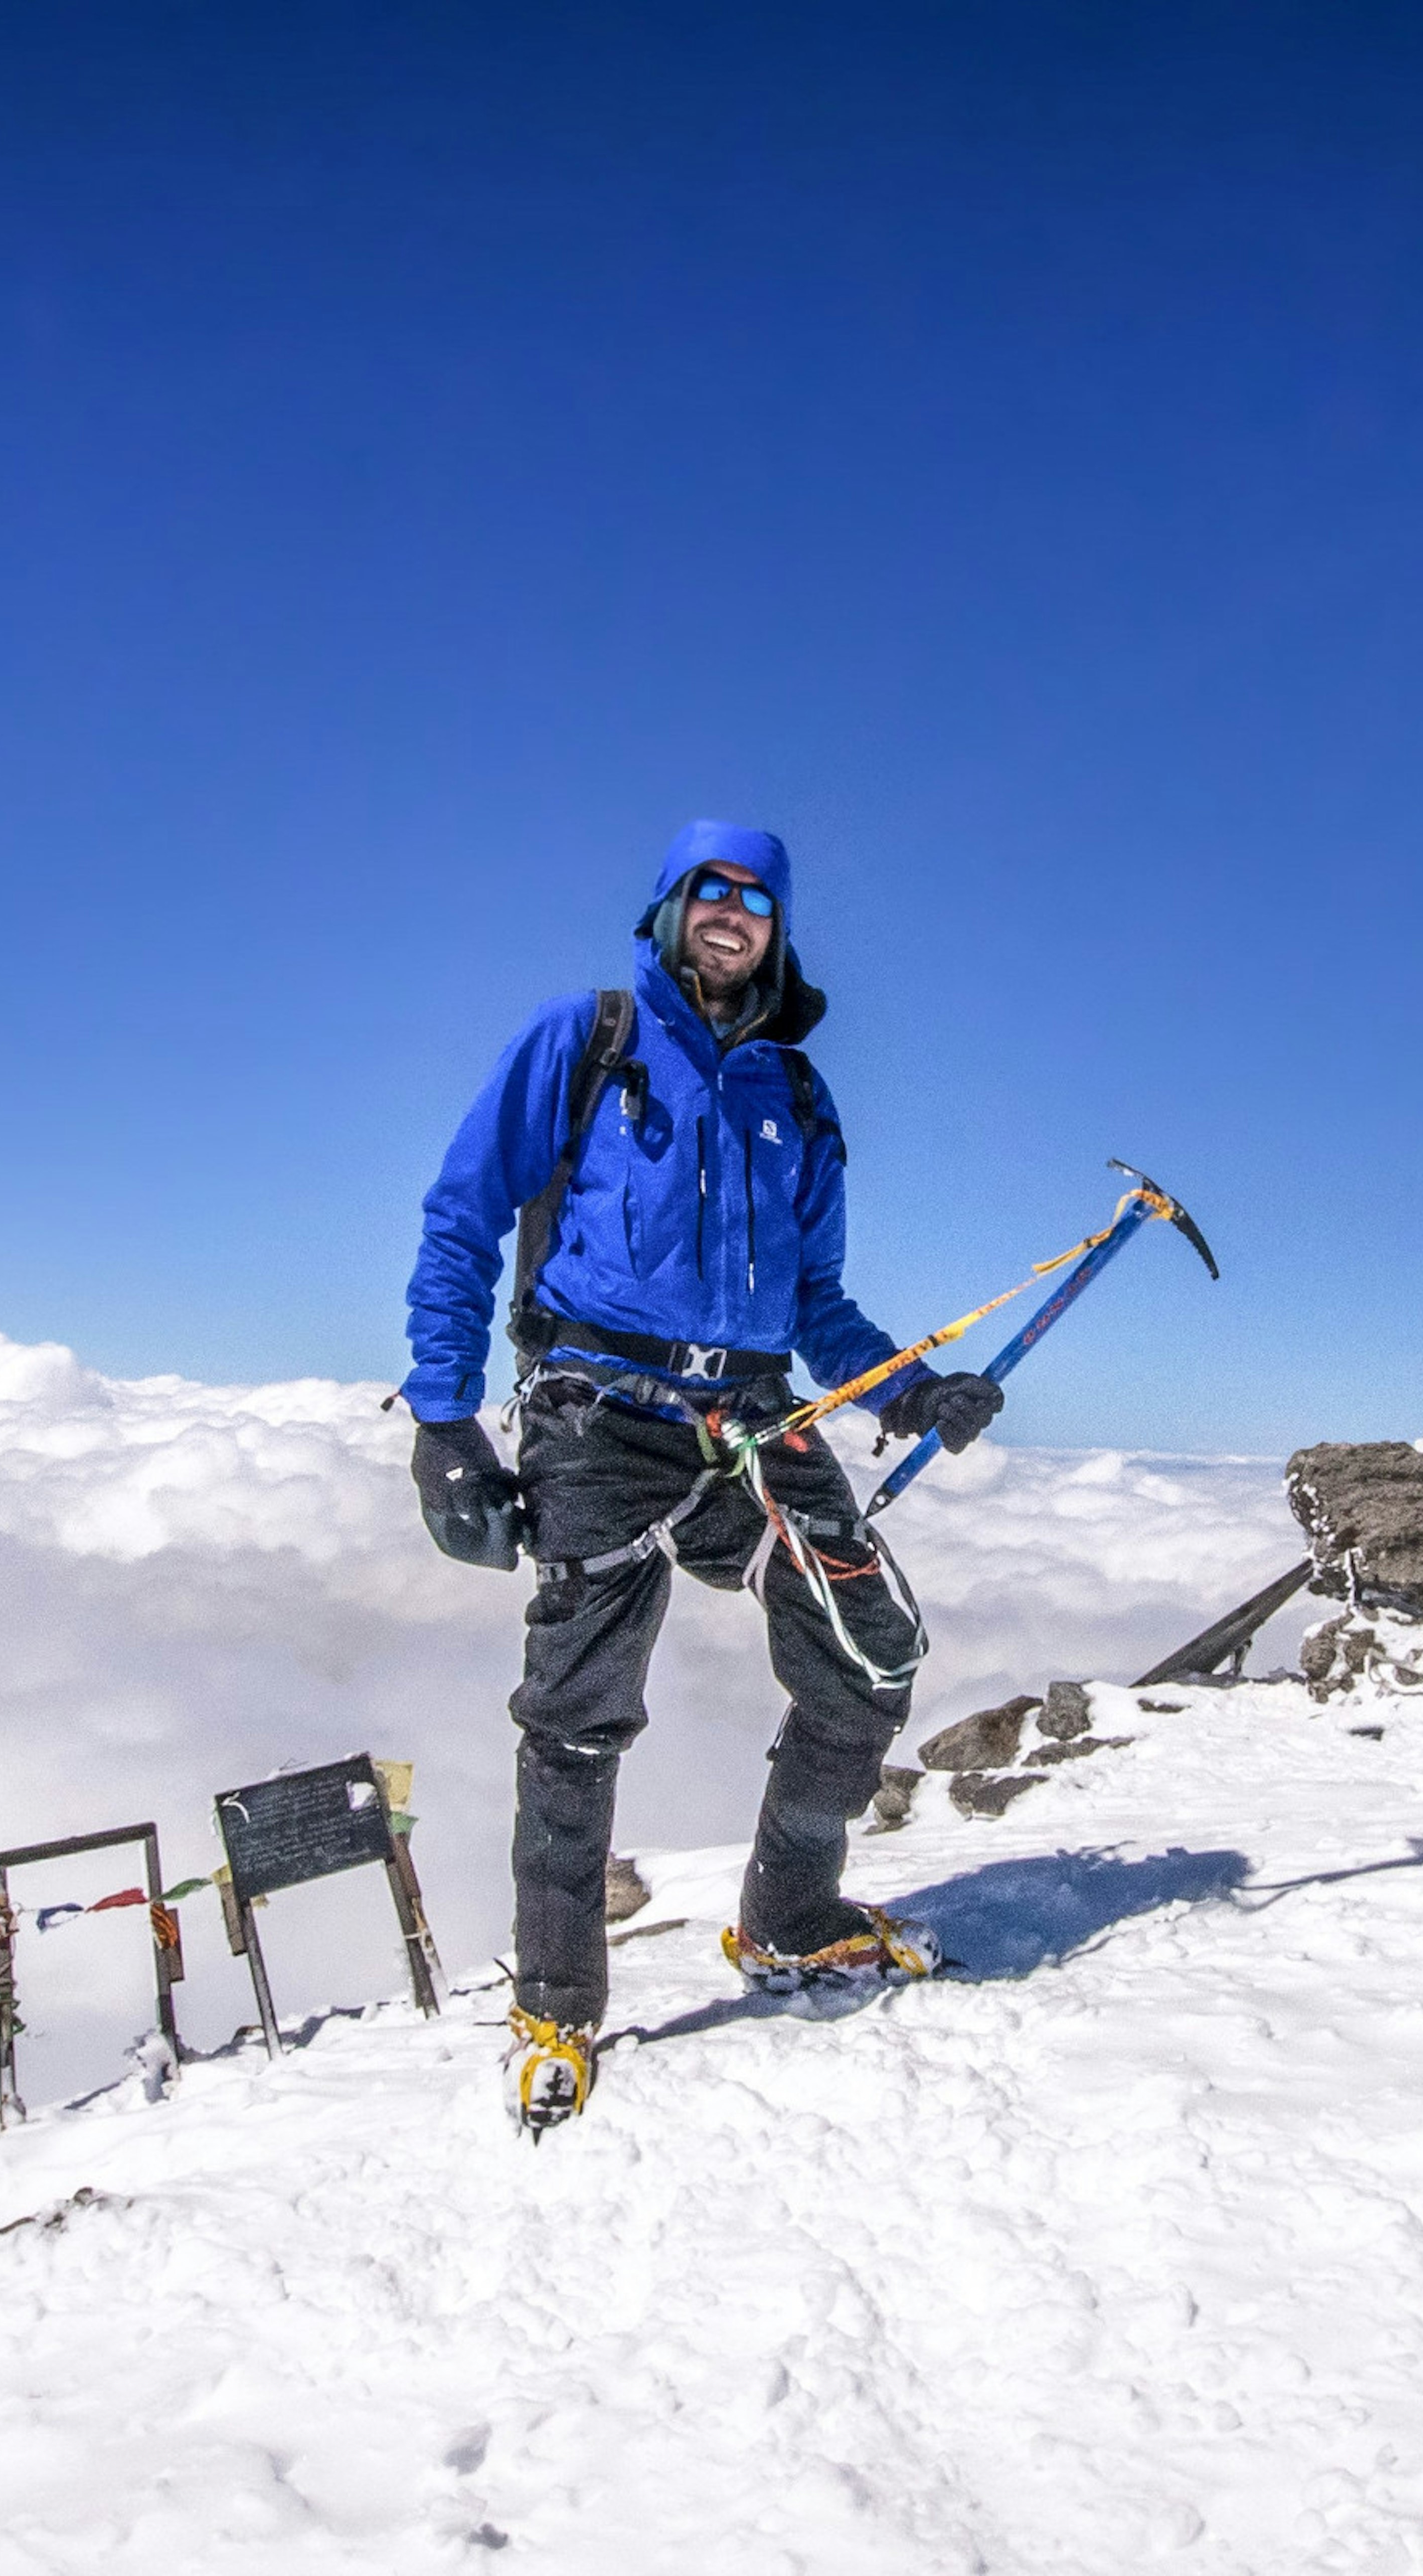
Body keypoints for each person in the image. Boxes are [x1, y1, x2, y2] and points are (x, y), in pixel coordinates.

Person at [400, 820, 1002, 2130]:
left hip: (749, 1409)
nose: (734, 911)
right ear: (672, 909)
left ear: (777, 927)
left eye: (759, 898)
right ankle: (556, 2007)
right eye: (709, 890)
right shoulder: (591, 1038)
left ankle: (791, 1920)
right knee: (578, 1710)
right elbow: (464, 1214)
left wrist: (911, 1390)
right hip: (598, 1404)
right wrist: (445, 1420)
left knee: (872, 1650)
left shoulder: (796, 1096)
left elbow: (819, 1302)